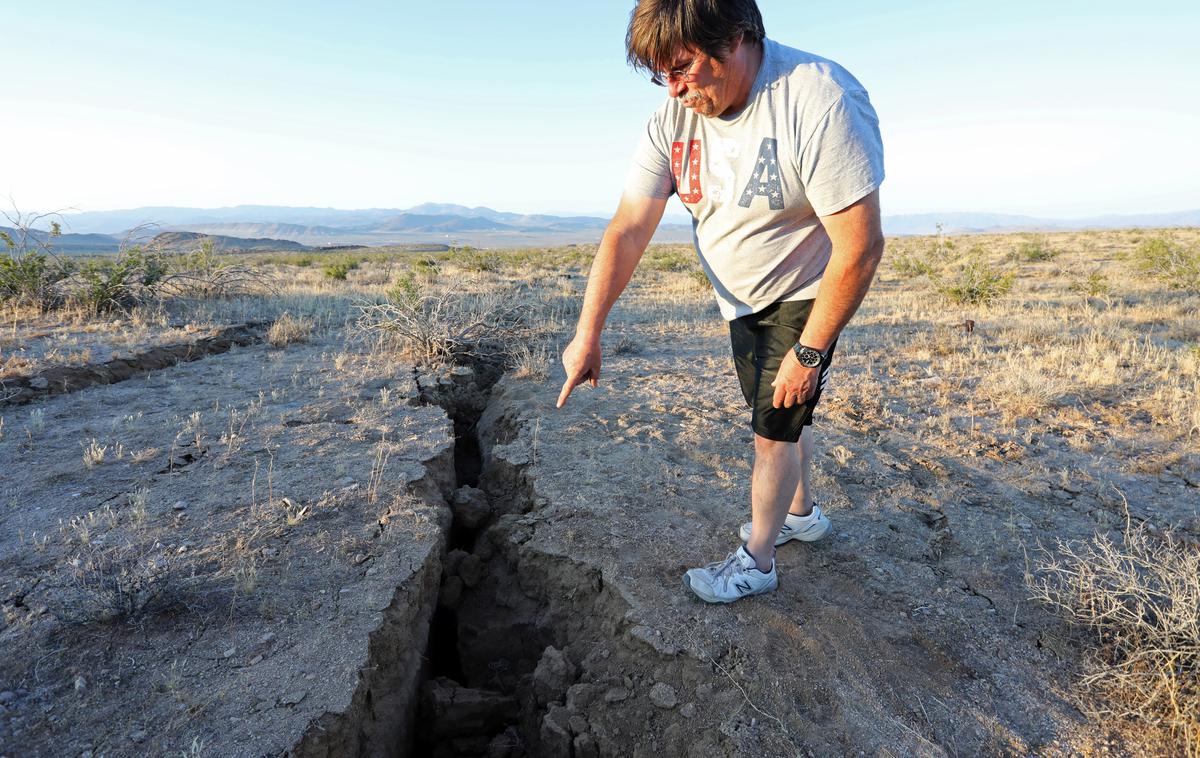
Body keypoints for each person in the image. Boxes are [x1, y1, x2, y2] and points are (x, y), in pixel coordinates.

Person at [555, 0, 885, 604]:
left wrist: (809, 352)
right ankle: (802, 516)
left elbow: (860, 247)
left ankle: (758, 561)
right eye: (662, 75)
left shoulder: (817, 99)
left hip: (805, 289)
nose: (675, 89)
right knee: (783, 415)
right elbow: (628, 226)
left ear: (736, 38)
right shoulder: (671, 120)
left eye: (683, 68)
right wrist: (588, 331)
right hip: (739, 299)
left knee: (772, 430)